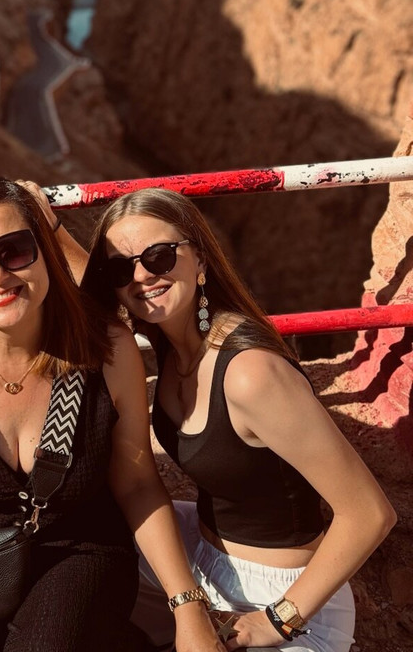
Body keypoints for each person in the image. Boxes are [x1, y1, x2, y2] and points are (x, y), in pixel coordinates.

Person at [0, 177, 222, 652]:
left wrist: (188, 607)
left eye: (14, 251)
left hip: (82, 557)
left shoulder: (104, 349)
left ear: (45, 253)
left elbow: (138, 485)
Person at [81, 187, 396, 651]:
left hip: (285, 596)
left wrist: (278, 620)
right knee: (82, 540)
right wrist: (49, 227)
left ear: (201, 260)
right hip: (201, 555)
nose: (142, 275)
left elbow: (370, 513)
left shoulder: (250, 373)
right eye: (121, 268)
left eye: (159, 256)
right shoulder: (174, 343)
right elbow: (84, 284)